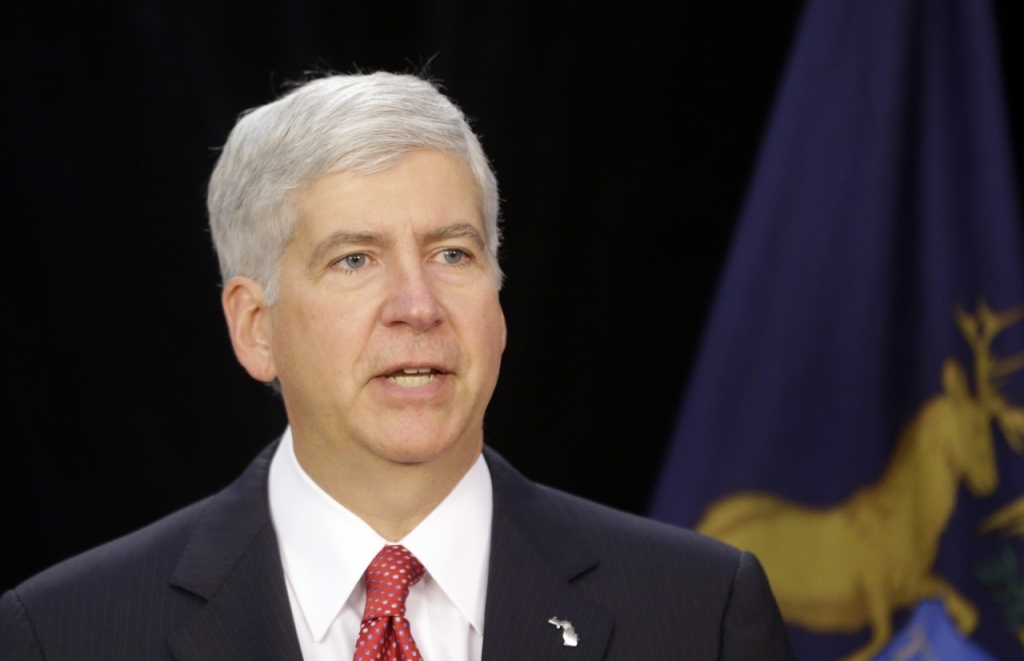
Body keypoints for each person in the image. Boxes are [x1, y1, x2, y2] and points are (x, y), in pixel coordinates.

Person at [0, 72, 793, 661]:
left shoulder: (700, 614)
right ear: (254, 327)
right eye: (355, 259)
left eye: (453, 252)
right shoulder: (66, 633)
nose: (418, 304)